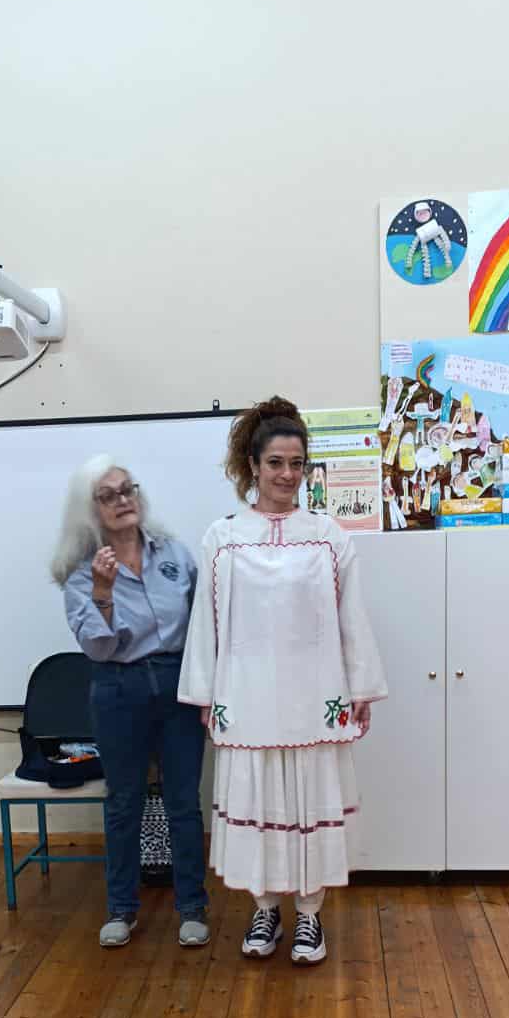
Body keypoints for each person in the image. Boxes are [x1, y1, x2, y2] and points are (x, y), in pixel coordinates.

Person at [178, 397, 387, 966]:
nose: (287, 475)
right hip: (247, 697)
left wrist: (361, 687)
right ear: (253, 464)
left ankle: (310, 916)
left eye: (296, 464)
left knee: (310, 806)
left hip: (314, 698)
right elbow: (206, 622)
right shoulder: (222, 537)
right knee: (259, 806)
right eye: (275, 463)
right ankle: (265, 908)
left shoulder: (328, 536)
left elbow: (351, 617)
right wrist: (205, 693)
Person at [54, 457, 209, 950]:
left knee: (183, 801)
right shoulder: (81, 574)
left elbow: (205, 623)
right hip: (118, 687)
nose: (123, 500)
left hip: (178, 684)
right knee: (124, 803)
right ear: (90, 510)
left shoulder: (174, 553)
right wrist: (103, 591)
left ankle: (192, 908)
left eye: (128, 489)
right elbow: (97, 648)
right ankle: (121, 909)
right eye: (109, 495)